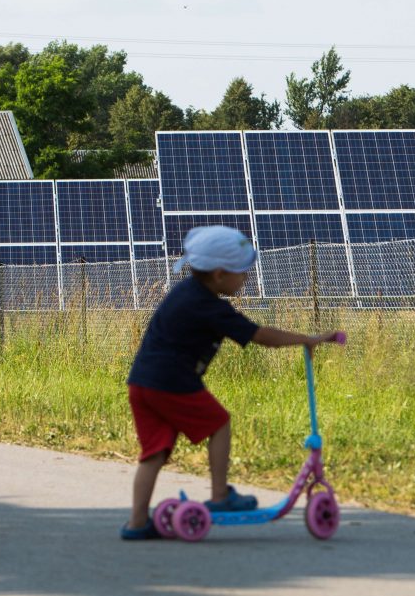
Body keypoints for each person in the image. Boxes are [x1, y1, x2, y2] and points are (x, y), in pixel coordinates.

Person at [121, 225, 345, 540]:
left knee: (154, 453)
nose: (247, 279)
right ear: (219, 274)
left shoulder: (186, 292)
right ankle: (219, 497)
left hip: (142, 383)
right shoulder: (210, 307)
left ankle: (137, 523)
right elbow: (260, 336)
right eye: (242, 273)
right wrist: (306, 339)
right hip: (171, 382)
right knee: (220, 423)